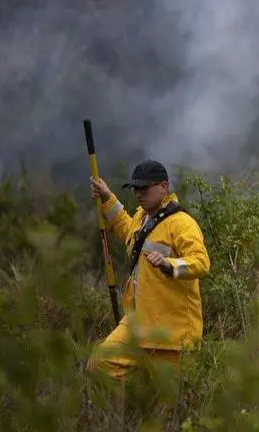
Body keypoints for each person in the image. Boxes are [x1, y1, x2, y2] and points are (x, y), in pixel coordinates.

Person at [86, 159, 210, 381]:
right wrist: (107, 197)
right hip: (137, 322)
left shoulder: (182, 223)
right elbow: (127, 230)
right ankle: (128, 410)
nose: (139, 194)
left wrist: (169, 264)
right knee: (99, 365)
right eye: (136, 188)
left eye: (145, 188)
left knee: (167, 404)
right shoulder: (142, 218)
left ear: (163, 186)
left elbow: (201, 263)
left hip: (171, 332)